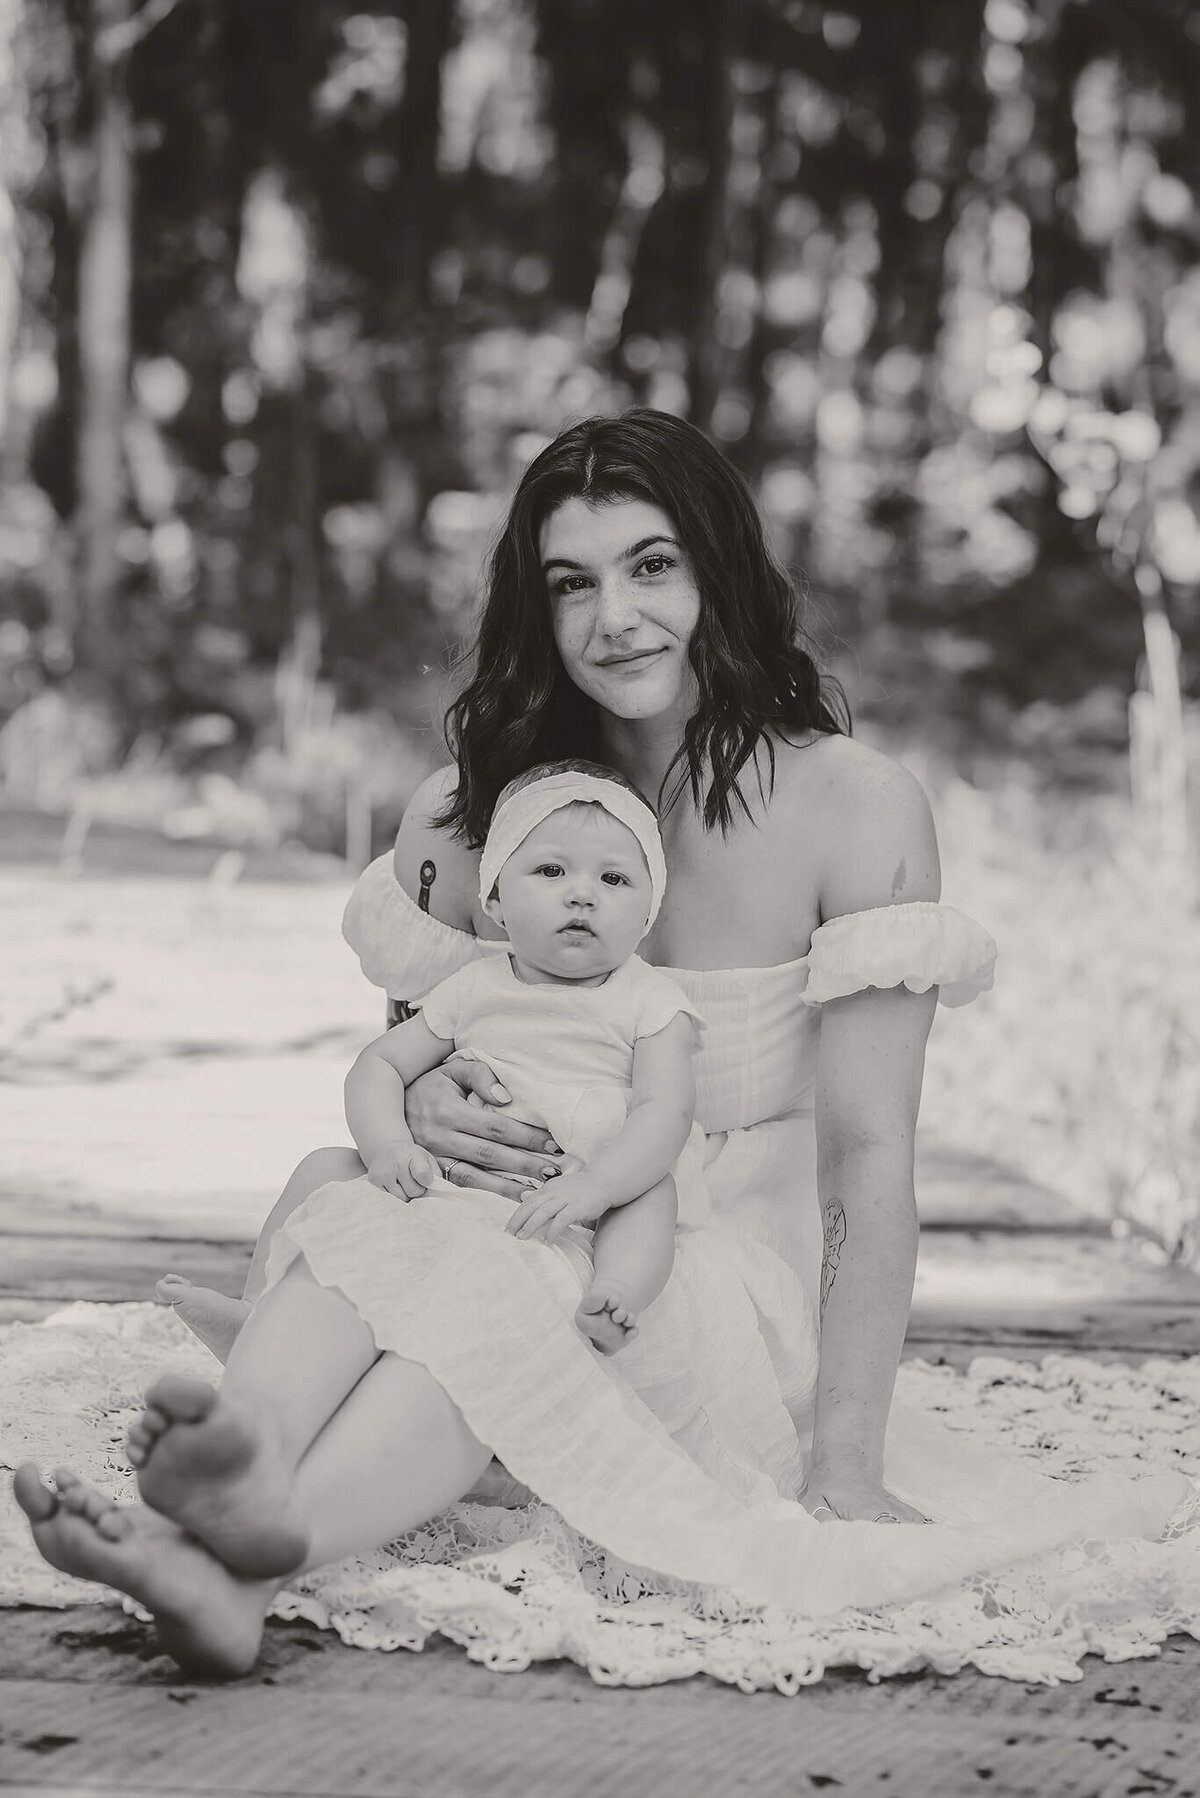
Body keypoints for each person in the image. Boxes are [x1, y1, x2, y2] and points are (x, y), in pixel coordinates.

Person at [11, 409, 1187, 1685]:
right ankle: (230, 1488)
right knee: (347, 1195)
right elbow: (420, 1063)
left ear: (720, 571)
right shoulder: (473, 813)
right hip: (517, 1213)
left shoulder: (855, 807)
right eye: (572, 583)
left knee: (514, 1280)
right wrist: (437, 1104)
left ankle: (253, 1551)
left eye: (652, 565)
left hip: (719, 1266)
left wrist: (845, 1457)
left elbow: (867, 1157)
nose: (613, 616)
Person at [344, 758, 701, 1355]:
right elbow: (377, 1065)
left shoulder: (653, 1001)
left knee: (653, 1195)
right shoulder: (474, 988)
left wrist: (601, 1185)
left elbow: (667, 1113)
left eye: (614, 880)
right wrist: (387, 1145)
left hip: (593, 1176)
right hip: (471, 1181)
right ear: (497, 901)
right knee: (331, 1184)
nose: (582, 894)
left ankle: (615, 1295)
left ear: (647, 916)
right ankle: (268, 1308)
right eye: (552, 870)